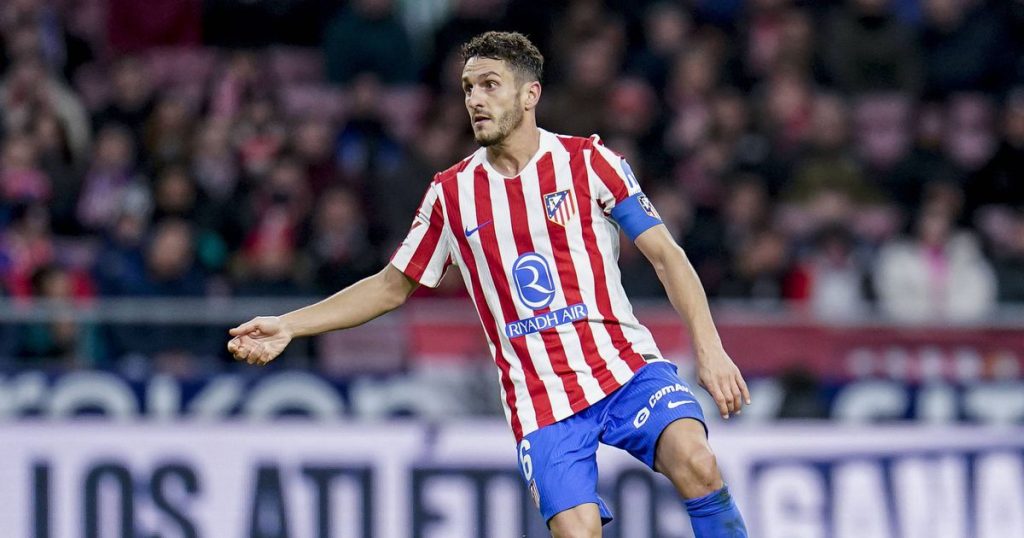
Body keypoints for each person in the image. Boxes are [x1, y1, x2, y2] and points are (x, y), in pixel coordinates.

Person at [228, 31, 749, 537]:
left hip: (625, 367)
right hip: (542, 399)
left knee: (697, 461)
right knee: (578, 531)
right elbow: (390, 286)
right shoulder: (450, 195)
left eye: (489, 84)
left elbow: (667, 256)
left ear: (530, 94)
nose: (475, 99)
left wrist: (712, 350)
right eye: (468, 88)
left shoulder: (589, 163)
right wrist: (288, 325)